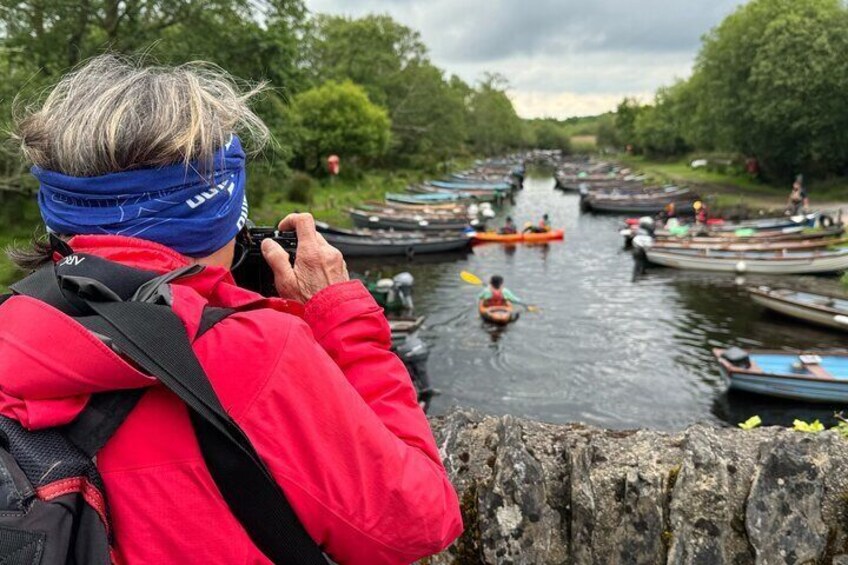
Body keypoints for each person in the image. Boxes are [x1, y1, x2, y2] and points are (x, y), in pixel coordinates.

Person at [2, 56, 462, 564]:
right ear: (222, 210)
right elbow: (421, 520)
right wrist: (341, 318)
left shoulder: (13, 321)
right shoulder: (262, 353)